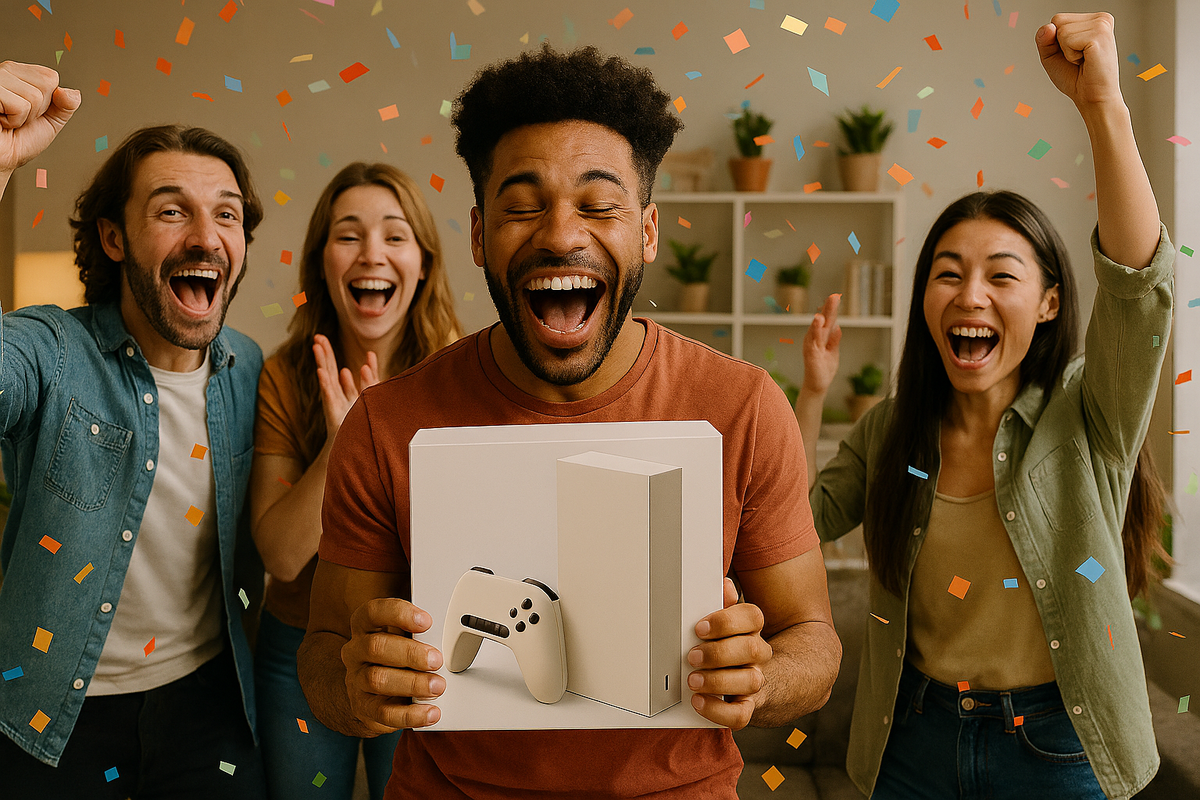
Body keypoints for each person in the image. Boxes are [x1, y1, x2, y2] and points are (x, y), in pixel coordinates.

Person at [296, 45, 842, 798]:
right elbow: (325, 652)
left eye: (598, 204)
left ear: (646, 233)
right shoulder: (388, 423)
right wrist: (355, 689)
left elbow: (813, 639)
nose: (560, 234)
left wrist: (762, 677)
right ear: (481, 235)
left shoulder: (743, 407)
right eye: (523, 206)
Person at [796, 14, 1172, 800]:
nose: (970, 294)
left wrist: (1102, 102)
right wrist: (814, 391)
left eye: (1002, 275)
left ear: (1047, 303)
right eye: (947, 272)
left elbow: (1138, 291)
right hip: (914, 739)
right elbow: (796, 518)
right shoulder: (889, 426)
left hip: (1056, 748)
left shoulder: (1085, 414)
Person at [0, 62, 268, 798]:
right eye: (172, 210)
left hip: (207, 704)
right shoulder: (51, 350)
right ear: (114, 238)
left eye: (227, 213)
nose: (206, 236)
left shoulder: (249, 367)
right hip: (54, 712)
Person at [249, 162, 460, 800]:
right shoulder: (284, 376)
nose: (372, 253)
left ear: (422, 263)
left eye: (395, 236)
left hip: (425, 650)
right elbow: (282, 556)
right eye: (349, 234)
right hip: (298, 648)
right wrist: (346, 444)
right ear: (322, 262)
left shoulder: (463, 378)